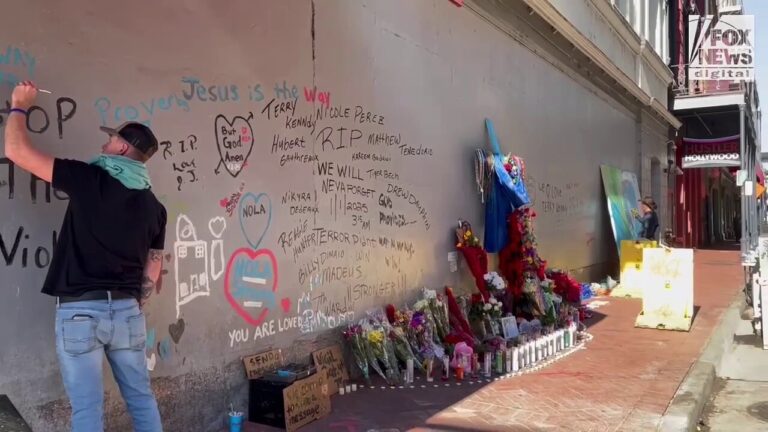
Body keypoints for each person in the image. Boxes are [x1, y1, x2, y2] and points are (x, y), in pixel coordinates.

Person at [4, 81, 166, 431]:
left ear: (122, 149)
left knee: (87, 411)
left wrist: (19, 104)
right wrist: (136, 301)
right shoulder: (154, 206)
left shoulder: (89, 179)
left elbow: (16, 150)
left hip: (80, 313)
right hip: (127, 312)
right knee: (141, 399)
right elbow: (154, 265)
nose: (103, 144)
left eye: (110, 139)